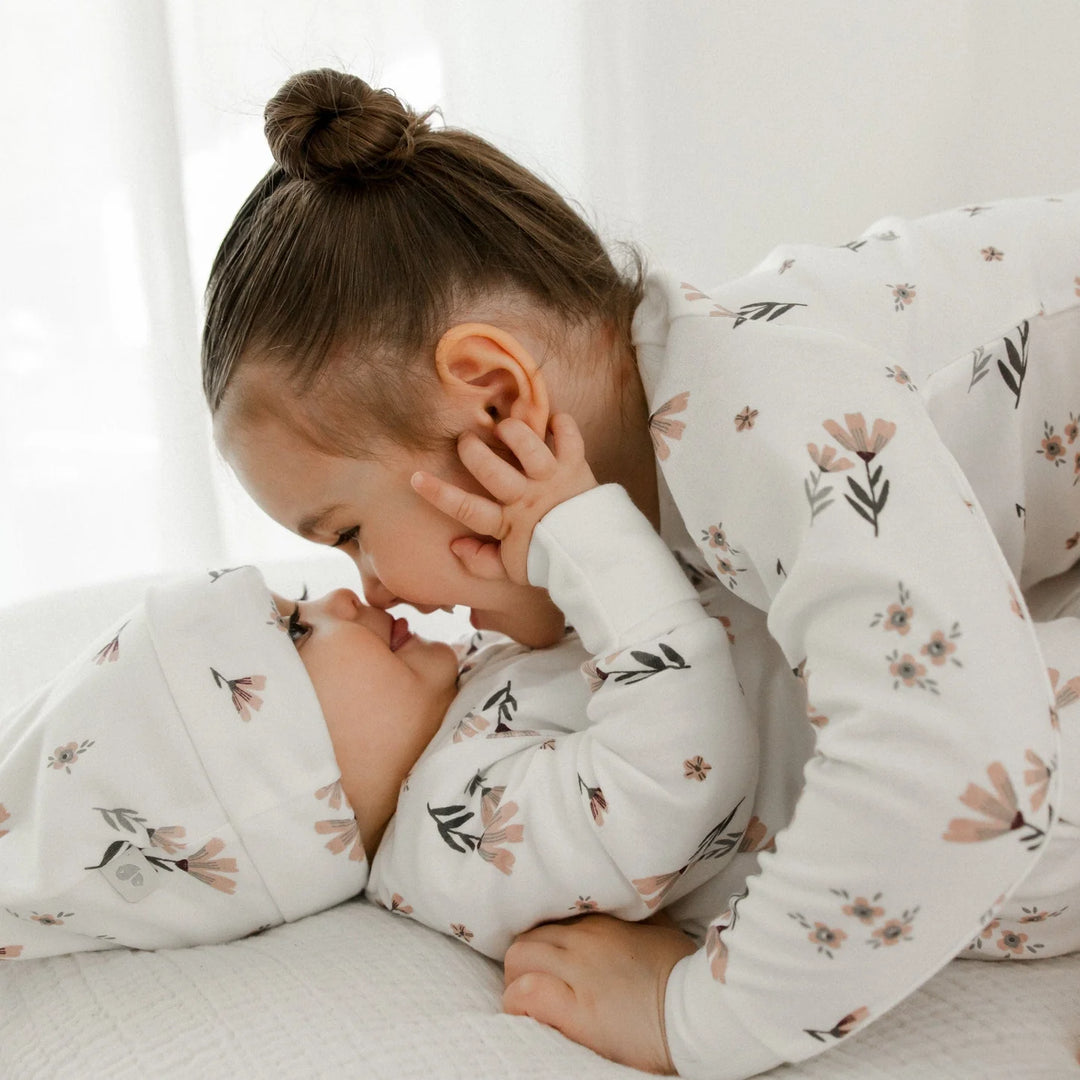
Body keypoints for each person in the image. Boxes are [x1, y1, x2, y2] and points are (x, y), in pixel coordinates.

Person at [200, 66, 1080, 1078]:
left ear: (490, 398)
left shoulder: (753, 411)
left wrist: (704, 1013)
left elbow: (959, 756)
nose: (376, 588)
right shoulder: (657, 459)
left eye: (349, 530)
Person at [0, 413, 757, 966]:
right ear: (293, 793)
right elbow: (675, 782)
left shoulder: (452, 704)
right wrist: (588, 540)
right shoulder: (452, 835)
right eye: (296, 631)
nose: (343, 600)